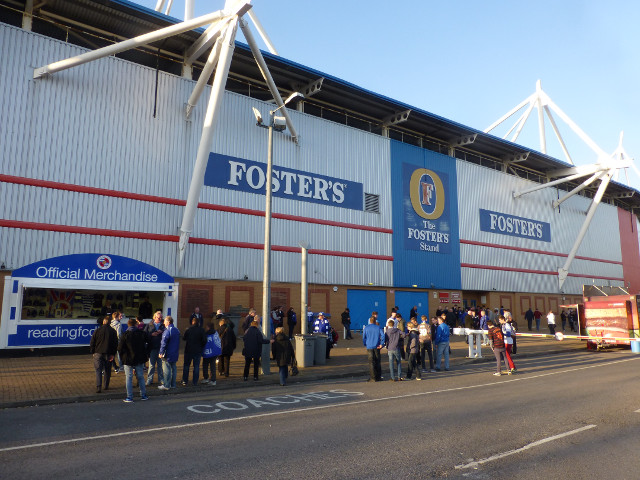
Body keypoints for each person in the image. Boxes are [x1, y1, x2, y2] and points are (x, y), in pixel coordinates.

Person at [118, 318, 149, 403]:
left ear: (128, 325)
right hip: (139, 358)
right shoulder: (141, 333)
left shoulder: (125, 335)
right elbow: (148, 342)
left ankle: (130, 397)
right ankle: (143, 395)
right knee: (140, 377)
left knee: (129, 377)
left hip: (128, 359)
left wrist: (122, 357)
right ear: (136, 324)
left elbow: (120, 348)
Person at [89, 316, 118, 393]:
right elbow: (115, 344)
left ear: (103, 322)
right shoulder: (113, 331)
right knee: (107, 370)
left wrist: (93, 352)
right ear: (110, 323)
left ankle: (99, 386)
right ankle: (106, 385)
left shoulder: (97, 330)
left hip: (98, 352)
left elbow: (92, 342)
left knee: (98, 370)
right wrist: (113, 354)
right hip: (108, 353)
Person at [182, 316, 206, 386]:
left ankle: (185, 380)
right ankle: (195, 381)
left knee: (186, 365)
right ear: (198, 323)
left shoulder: (188, 329)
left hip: (188, 350)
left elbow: (184, 338)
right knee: (196, 366)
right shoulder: (202, 330)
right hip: (198, 350)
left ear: (192, 322)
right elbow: (204, 340)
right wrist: (201, 345)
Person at [158, 315, 180, 390]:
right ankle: (173, 384)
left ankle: (167, 385)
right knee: (174, 368)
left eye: (165, 321)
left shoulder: (167, 331)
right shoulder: (176, 330)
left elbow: (163, 343)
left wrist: (161, 352)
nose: (164, 322)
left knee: (166, 369)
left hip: (168, 353)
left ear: (168, 322)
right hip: (175, 352)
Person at [145, 310, 165, 386]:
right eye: (158, 318)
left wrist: (162, 332)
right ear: (155, 317)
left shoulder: (164, 325)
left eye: (161, 318)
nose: (160, 319)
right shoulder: (149, 325)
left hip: (160, 348)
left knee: (160, 365)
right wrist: (151, 334)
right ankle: (149, 380)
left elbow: (167, 333)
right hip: (152, 347)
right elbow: (145, 335)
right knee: (151, 365)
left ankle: (161, 379)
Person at [363, 313, 384, 382]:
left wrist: (365, 344)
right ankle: (378, 376)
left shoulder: (366, 328)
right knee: (378, 361)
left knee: (371, 362)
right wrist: (381, 344)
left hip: (369, 346)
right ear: (375, 321)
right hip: (377, 346)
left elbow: (364, 338)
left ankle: (373, 377)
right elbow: (383, 336)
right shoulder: (378, 327)